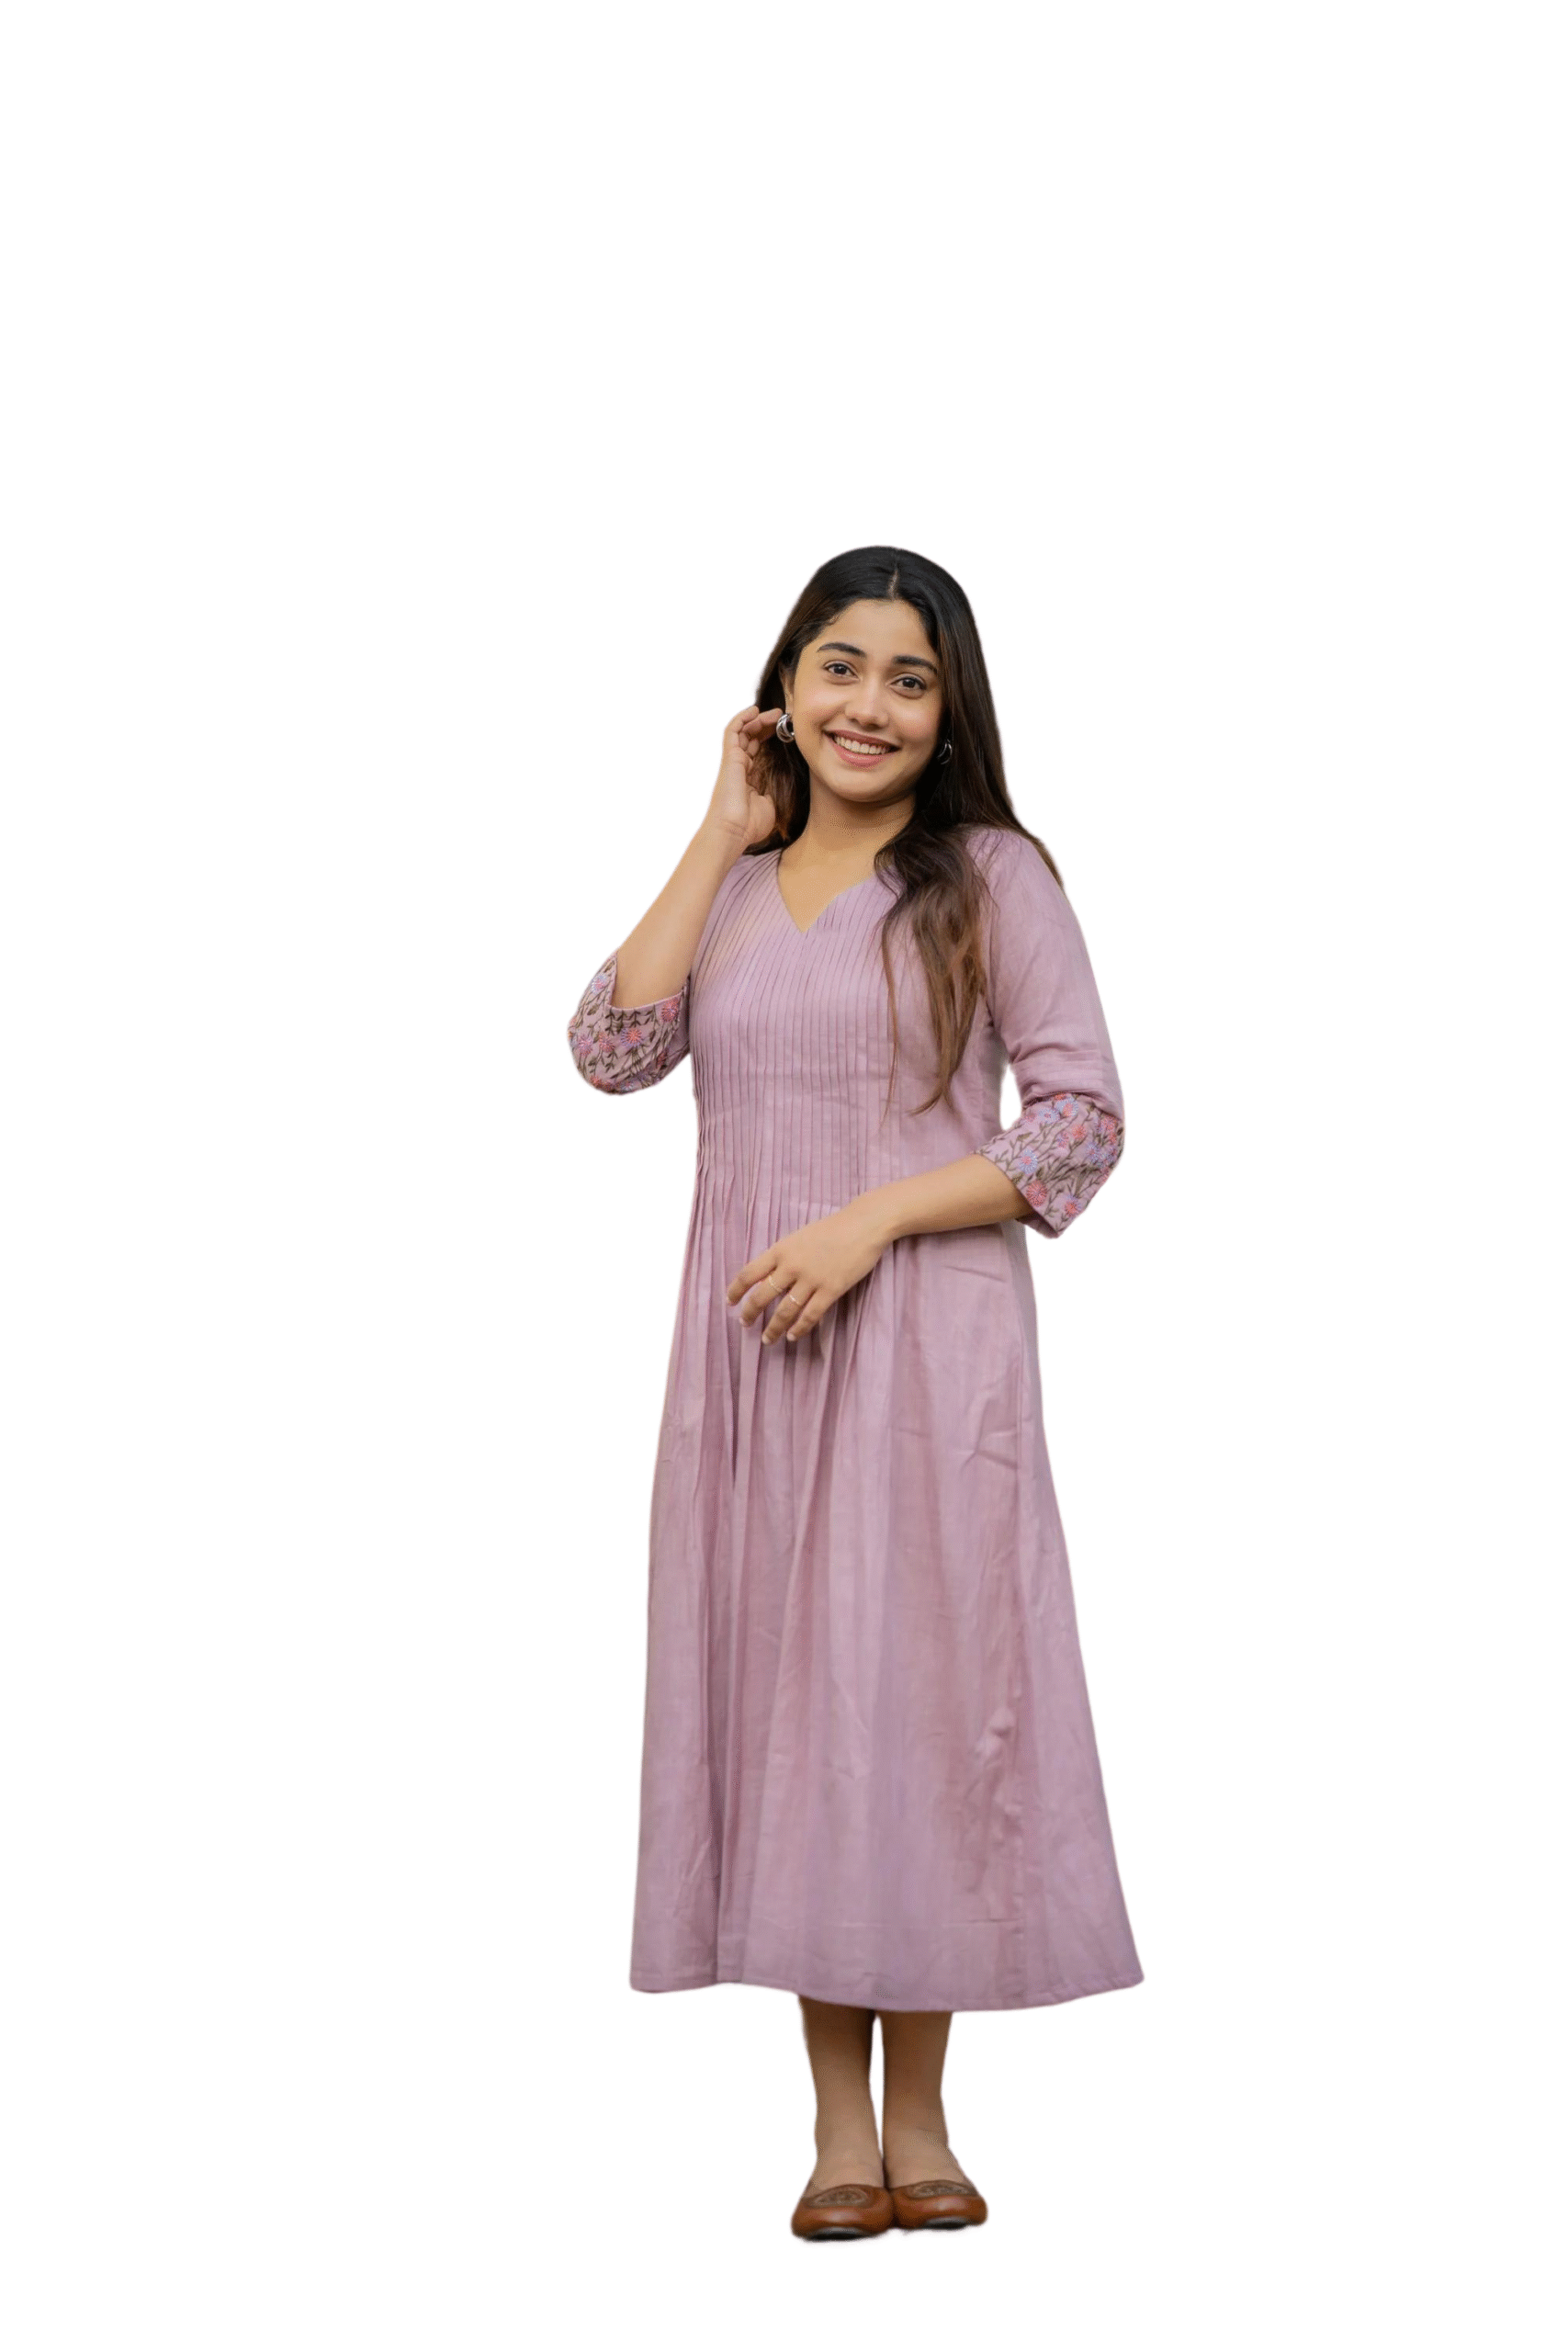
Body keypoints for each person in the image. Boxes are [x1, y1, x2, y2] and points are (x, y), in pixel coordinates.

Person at [566, 546, 1143, 2241]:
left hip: (927, 1356)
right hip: (753, 1364)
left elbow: (1080, 1121)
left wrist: (872, 1217)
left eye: (908, 676)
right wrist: (716, 830)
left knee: (916, 1705)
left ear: (949, 710)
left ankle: (924, 2116)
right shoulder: (738, 888)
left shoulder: (991, 877)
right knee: (796, 1716)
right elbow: (610, 1050)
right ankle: (834, 2128)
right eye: (838, 666)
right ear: (783, 688)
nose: (868, 705)